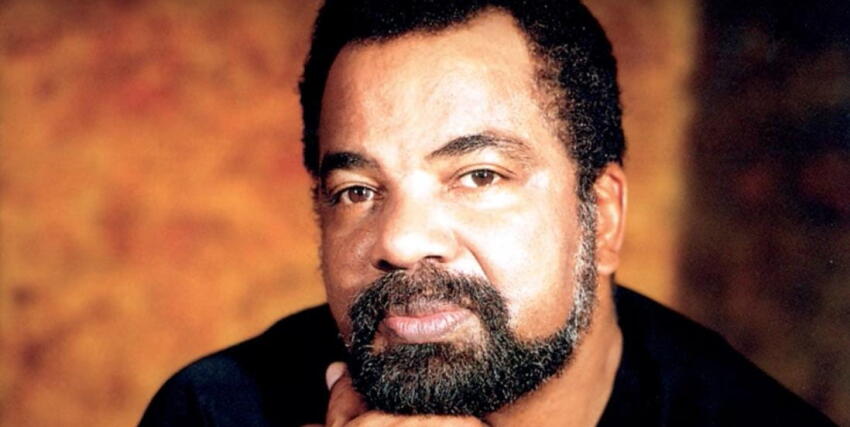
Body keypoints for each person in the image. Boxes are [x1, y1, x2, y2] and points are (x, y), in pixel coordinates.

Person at [140, 0, 836, 425]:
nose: (400, 240)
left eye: (478, 176)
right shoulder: (214, 411)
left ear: (602, 217)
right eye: (357, 190)